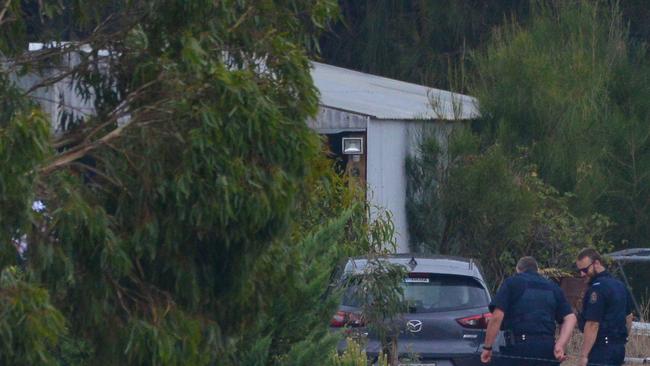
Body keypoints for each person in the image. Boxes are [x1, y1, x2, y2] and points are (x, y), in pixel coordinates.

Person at [481, 256, 577, 365]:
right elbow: (571, 318)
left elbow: (497, 317)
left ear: (518, 270)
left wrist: (487, 347)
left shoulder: (512, 283)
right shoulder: (553, 287)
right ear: (537, 270)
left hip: (519, 349)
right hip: (547, 349)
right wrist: (560, 345)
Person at [576, 248, 634, 366]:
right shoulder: (620, 285)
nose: (582, 274)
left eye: (585, 270)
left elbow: (593, 324)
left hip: (601, 350)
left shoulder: (597, 289)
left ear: (596, 263)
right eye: (580, 270)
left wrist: (584, 356)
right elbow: (629, 317)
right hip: (618, 349)